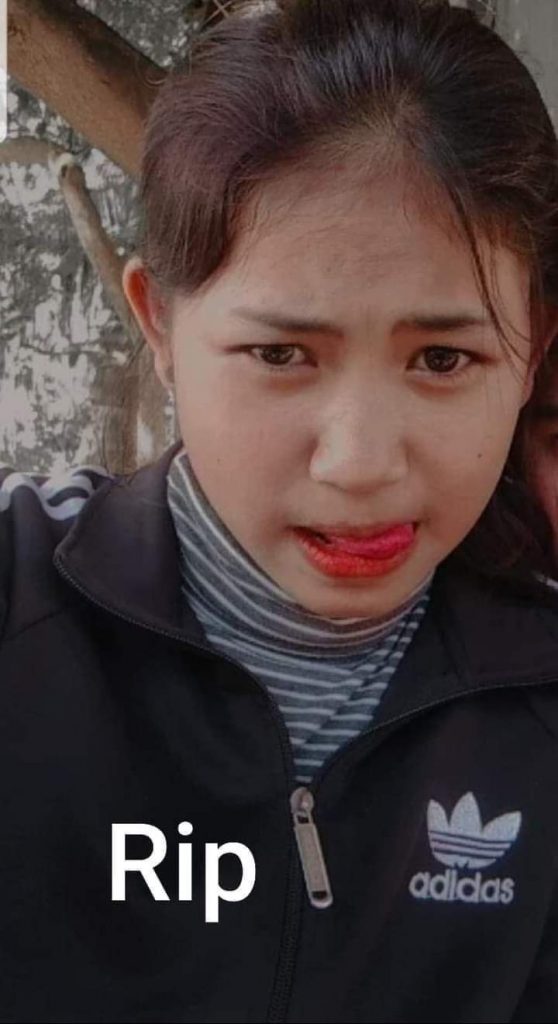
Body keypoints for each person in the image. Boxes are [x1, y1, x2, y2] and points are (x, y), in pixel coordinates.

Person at [2, 0, 558, 1020]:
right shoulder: (18, 610)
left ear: (533, 351)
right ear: (159, 326)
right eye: (281, 353)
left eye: (443, 359)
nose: (359, 465)